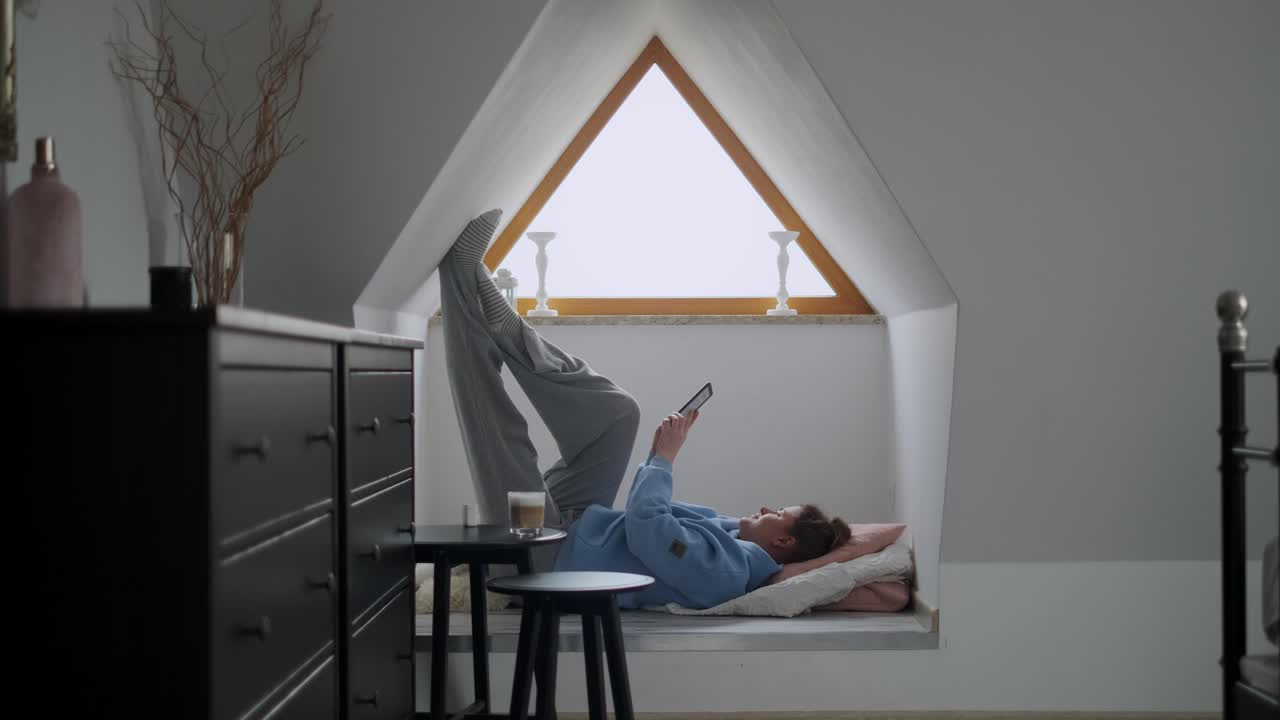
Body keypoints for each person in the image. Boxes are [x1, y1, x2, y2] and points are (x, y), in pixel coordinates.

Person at [440, 210, 850, 610]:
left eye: (778, 513)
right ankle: (511, 333)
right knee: (618, 415)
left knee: (508, 446)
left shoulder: (725, 574)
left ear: (783, 543)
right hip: (580, 527)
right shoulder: (732, 535)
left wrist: (664, 460)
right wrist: (658, 455)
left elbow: (646, 528)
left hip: (545, 562)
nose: (765, 508)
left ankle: (461, 275)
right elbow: (645, 513)